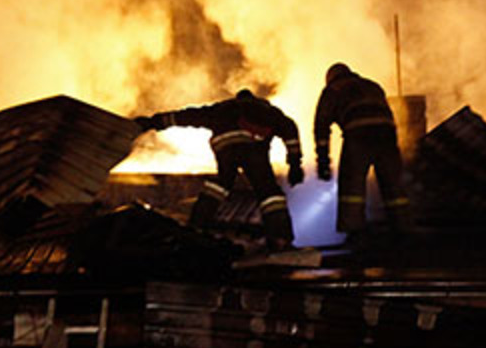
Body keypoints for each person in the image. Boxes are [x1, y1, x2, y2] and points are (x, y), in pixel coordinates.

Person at [137, 89, 303, 251]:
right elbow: (289, 129)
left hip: (226, 149)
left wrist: (152, 122)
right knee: (269, 192)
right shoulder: (268, 111)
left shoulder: (223, 108)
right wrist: (294, 164)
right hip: (254, 148)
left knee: (219, 186)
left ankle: (197, 227)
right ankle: (280, 238)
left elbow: (188, 116)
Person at [313, 63, 413, 241]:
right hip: (387, 136)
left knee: (352, 186)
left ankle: (355, 232)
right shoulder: (372, 85)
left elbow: (321, 124)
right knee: (393, 185)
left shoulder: (333, 89)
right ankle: (402, 227)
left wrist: (323, 160)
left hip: (358, 136)